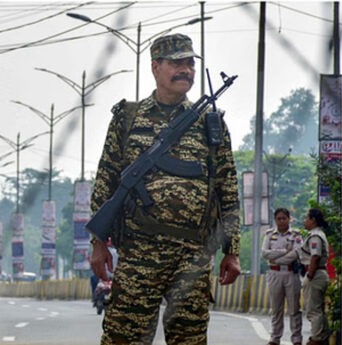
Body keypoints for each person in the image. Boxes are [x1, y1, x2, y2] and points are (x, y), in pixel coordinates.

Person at [89, 33, 241, 344]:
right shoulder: (128, 118)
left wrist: (233, 250)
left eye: (190, 64)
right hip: (138, 253)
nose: (185, 70)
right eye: (176, 63)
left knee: (189, 340)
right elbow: (106, 180)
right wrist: (98, 243)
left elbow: (227, 188)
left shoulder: (210, 122)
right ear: (155, 67)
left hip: (193, 256)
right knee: (123, 339)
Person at [261, 208, 303, 345]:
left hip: (291, 273)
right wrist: (284, 251)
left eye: (284, 218)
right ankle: (275, 338)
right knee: (276, 308)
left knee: (294, 308)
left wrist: (278, 259)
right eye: (278, 219)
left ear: (289, 219)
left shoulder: (296, 234)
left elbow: (297, 253)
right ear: (275, 220)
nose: (281, 221)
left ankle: (296, 338)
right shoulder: (269, 234)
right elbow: (265, 253)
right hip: (274, 273)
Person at [297, 208, 331, 345]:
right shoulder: (319, 234)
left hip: (315, 274)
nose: (304, 221)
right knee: (319, 309)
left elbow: (315, 256)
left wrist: (310, 275)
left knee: (313, 310)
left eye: (307, 218)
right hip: (319, 273)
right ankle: (323, 337)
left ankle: (316, 339)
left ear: (313, 220)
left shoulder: (315, 236)